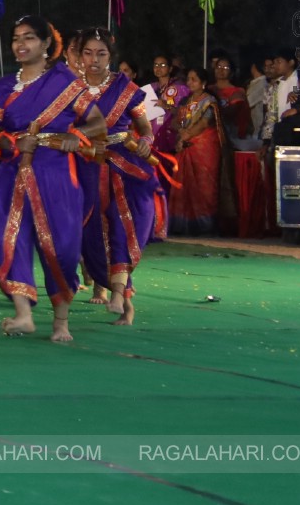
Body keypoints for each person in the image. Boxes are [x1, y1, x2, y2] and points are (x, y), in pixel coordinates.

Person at [0, 16, 108, 343]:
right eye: (15, 38)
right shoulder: (2, 87)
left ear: (46, 44)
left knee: (62, 247)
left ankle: (61, 321)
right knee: (9, 239)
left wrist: (76, 136)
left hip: (55, 174)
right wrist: (9, 142)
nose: (20, 44)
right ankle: (23, 314)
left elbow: (98, 124)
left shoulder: (66, 83)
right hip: (12, 173)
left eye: (29, 38)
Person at [76, 30, 155, 325]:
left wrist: (147, 140)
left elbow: (144, 128)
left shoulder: (125, 88)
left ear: (111, 56)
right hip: (86, 168)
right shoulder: (71, 90)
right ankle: (117, 293)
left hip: (124, 166)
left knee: (122, 226)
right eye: (88, 53)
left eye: (101, 54)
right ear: (80, 54)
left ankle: (121, 296)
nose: (94, 60)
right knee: (92, 235)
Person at [168, 65, 223, 236]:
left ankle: (205, 226)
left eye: (194, 79)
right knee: (185, 186)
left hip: (204, 150)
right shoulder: (186, 102)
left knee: (204, 187)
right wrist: (181, 132)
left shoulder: (209, 102)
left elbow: (204, 124)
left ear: (204, 83)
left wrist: (186, 135)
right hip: (186, 146)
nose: (190, 82)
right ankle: (184, 226)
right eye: (188, 79)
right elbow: (174, 122)